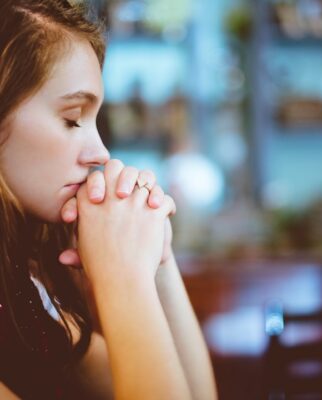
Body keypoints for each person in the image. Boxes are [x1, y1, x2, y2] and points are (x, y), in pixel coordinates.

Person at [0, 0, 217, 399]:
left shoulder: (22, 291)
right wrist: (123, 278)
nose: (100, 152)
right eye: (71, 118)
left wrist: (157, 263)